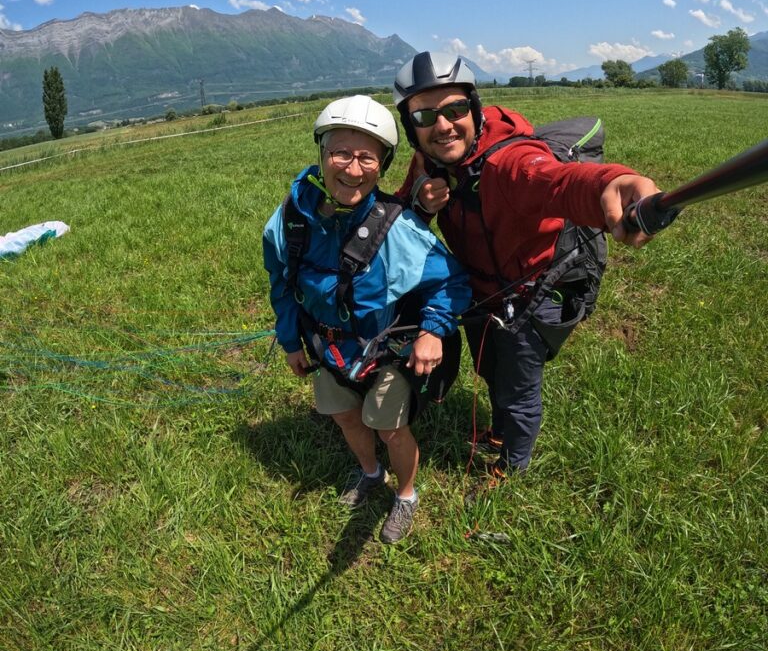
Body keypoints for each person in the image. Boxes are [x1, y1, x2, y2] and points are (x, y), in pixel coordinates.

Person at [393, 52, 662, 489]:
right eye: (425, 115)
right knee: (490, 368)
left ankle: (512, 468)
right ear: (412, 128)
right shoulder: (430, 161)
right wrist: (421, 202)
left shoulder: (509, 163)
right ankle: (499, 430)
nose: (442, 125)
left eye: (455, 109)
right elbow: (399, 215)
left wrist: (614, 184)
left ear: (474, 109)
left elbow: (559, 181)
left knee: (518, 385)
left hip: (533, 291)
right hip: (481, 290)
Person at [263, 95, 471, 543]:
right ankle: (370, 473)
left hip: (382, 349)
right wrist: (291, 342)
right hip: (326, 345)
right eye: (341, 153)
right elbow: (281, 282)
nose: (352, 169)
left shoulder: (395, 229)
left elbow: (451, 281)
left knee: (389, 426)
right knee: (346, 418)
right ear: (321, 153)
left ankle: (407, 495)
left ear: (383, 166)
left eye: (366, 158)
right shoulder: (288, 221)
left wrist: (433, 332)